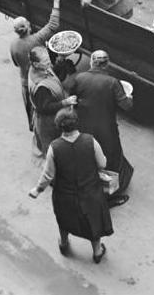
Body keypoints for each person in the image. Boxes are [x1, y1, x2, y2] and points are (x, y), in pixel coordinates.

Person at [29, 108, 113, 263]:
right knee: (93, 221)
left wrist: (38, 189)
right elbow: (102, 163)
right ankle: (97, 251)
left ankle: (64, 243)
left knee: (64, 219)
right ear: (76, 123)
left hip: (65, 194)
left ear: (59, 127)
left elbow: (48, 174)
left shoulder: (55, 148)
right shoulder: (90, 141)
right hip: (90, 192)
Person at [67, 50, 134, 207]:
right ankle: (107, 198)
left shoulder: (80, 78)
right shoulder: (112, 82)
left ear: (91, 62)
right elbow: (126, 105)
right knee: (110, 162)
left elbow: (72, 97)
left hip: (83, 127)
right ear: (107, 64)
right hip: (106, 130)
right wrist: (129, 97)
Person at [10, 0, 62, 132]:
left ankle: (34, 128)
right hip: (40, 80)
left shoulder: (13, 45)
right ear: (27, 27)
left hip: (26, 82)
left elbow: (16, 63)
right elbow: (53, 25)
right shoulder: (35, 40)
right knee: (48, 105)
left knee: (31, 107)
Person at [28, 46, 76, 155]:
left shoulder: (41, 68)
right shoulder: (40, 87)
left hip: (55, 114)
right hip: (48, 122)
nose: (49, 64)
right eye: (46, 62)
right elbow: (45, 108)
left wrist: (60, 61)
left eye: (49, 60)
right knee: (54, 148)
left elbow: (53, 75)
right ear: (36, 64)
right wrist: (66, 102)